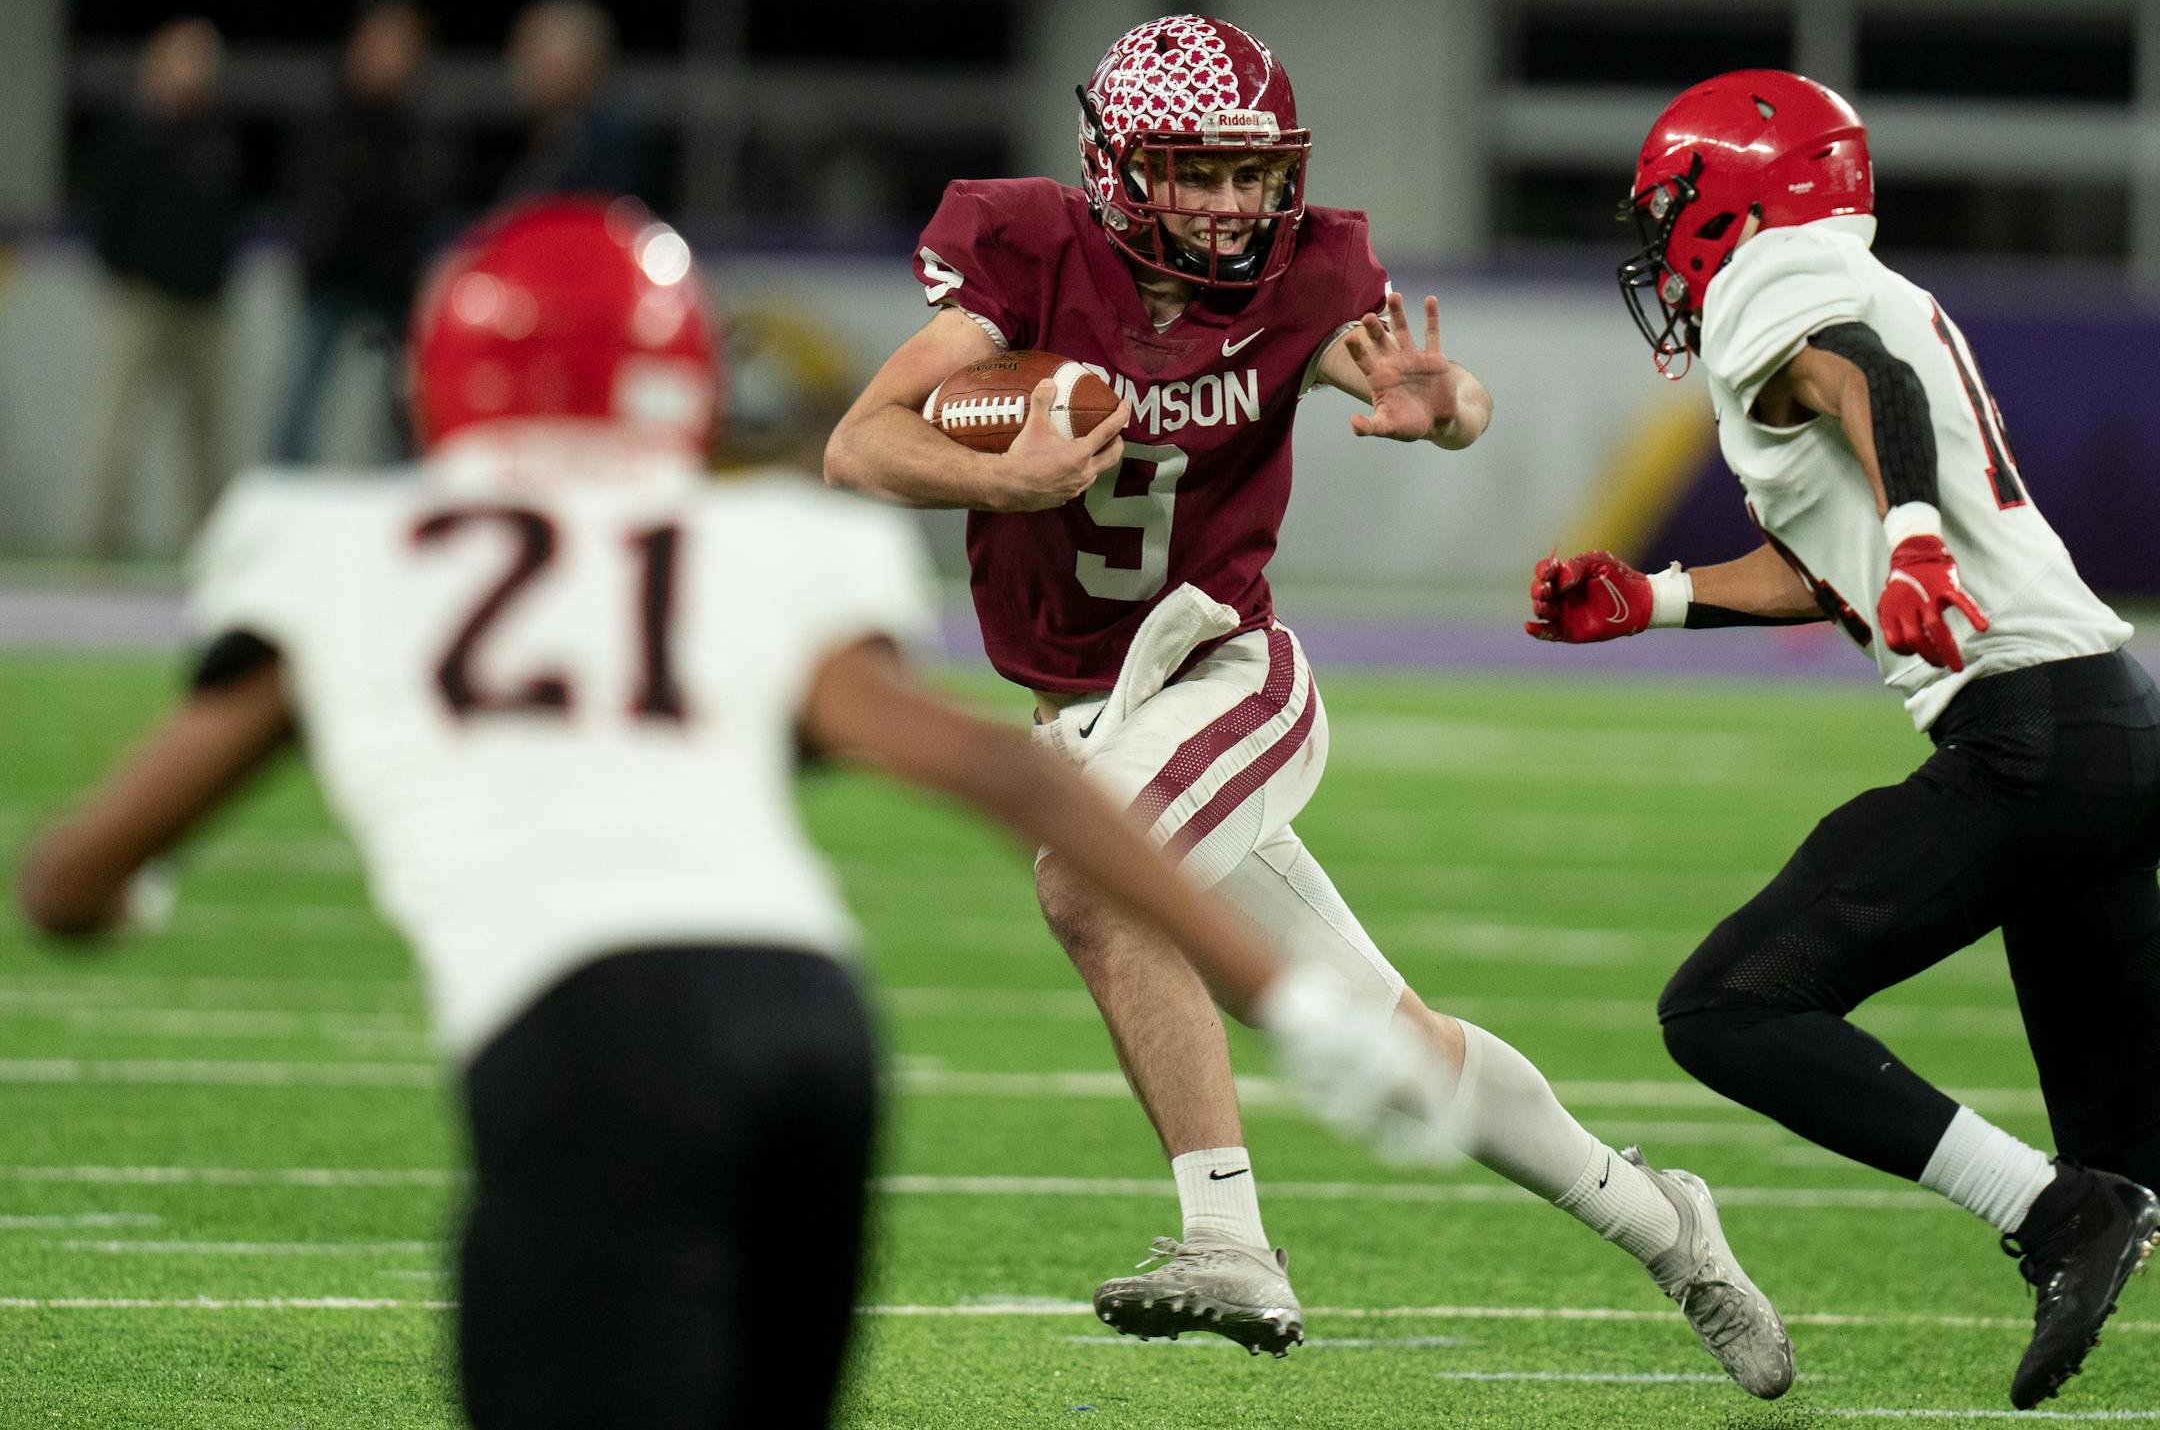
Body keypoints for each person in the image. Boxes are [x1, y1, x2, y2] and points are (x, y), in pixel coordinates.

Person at [18, 196, 1457, 1428]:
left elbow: (67, 882)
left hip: (582, 1041)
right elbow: (1004, 772)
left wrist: (120, 888)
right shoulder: (755, 544)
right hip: (812, 1034)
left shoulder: (342, 548)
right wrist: (1306, 1012)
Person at [825, 13, 1793, 1397]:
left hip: (1223, 667)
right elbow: (858, 443)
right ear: (1116, 169)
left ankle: (1229, 1238)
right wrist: (1007, 479)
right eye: (1196, 173)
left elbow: (1415, 385)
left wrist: (1446, 405)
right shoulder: (1023, 249)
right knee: (1386, 1045)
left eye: (1251, 174)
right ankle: (1667, 1223)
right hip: (1084, 708)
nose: (1231, 206)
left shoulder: (1311, 272)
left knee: (1090, 877)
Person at [1523, 69, 2160, 1411]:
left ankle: (2048, 1216)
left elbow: (1858, 389)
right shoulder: (1856, 276)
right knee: (2139, 1151)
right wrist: (1658, 597)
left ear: (1728, 199)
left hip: (2029, 737)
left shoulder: (1775, 278)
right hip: (2113, 724)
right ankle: (2082, 1203)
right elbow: (1837, 554)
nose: (1660, 250)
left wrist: (1922, 535)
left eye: (1668, 213)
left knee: (1727, 1005)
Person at [79, 17, 243, 556]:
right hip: (143, 299)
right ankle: (102, 541)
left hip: (205, 305)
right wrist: (126, 274)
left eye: (202, 59)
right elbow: (106, 214)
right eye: (182, 57)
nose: (194, 71)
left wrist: (218, 275)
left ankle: (210, 544)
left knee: (207, 436)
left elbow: (230, 216)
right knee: (117, 426)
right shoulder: (134, 132)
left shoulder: (217, 135)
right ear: (158, 64)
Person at [272, 3, 442, 465]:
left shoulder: (414, 126)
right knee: (301, 404)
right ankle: (285, 496)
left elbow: (424, 200)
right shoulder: (330, 116)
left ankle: (401, 503)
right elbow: (308, 193)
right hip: (332, 278)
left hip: (389, 287)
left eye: (404, 50)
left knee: (401, 407)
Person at [496, 0, 660, 205]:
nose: (530, 72)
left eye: (551, 63)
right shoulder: (505, 143)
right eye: (524, 55)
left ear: (591, 65)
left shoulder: (614, 155)